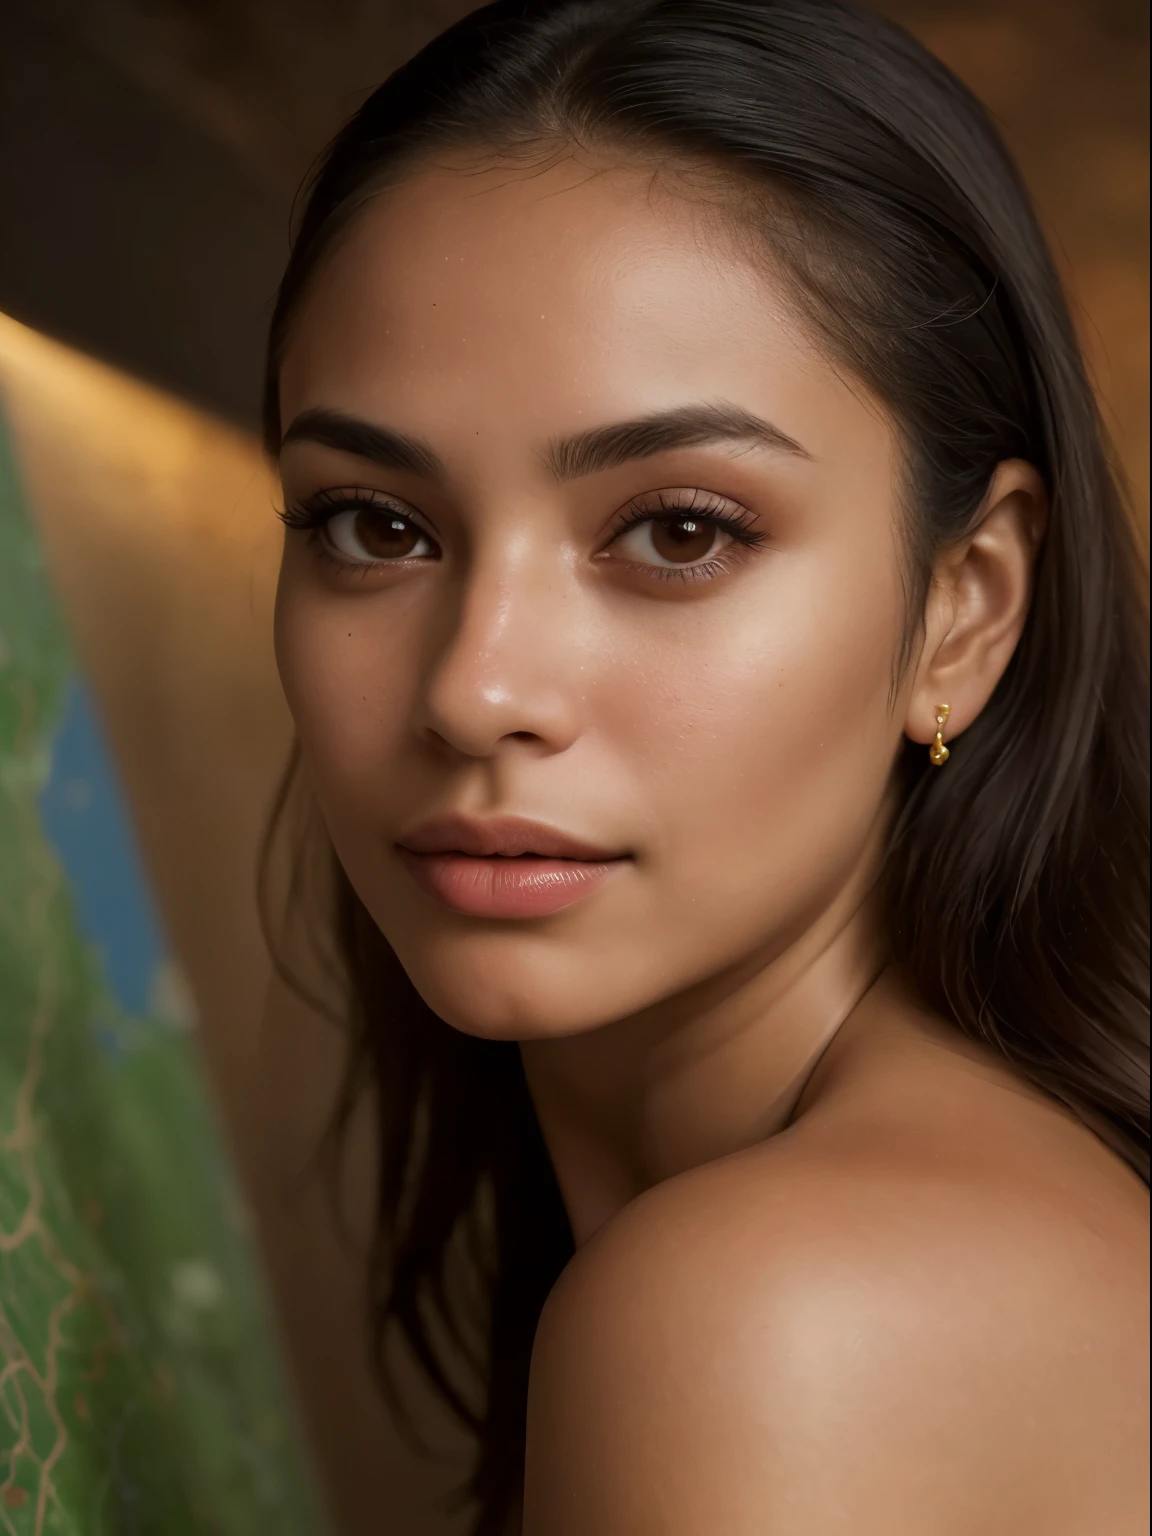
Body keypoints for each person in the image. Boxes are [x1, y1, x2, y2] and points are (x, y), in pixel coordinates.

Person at [261, 1, 1150, 1531]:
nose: (477, 691)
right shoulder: (960, 1213)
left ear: (965, 606)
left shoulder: (772, 1320)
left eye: (681, 532)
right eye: (375, 525)